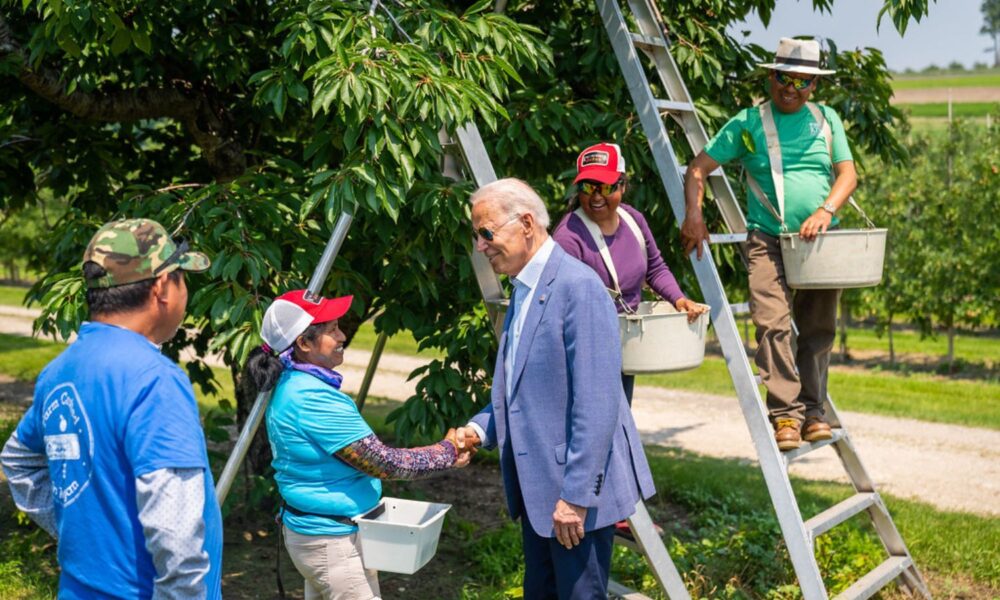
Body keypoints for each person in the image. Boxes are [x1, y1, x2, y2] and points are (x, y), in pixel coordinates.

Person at [0, 218, 223, 598]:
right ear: (162, 288)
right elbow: (176, 535)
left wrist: (80, 529)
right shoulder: (154, 379)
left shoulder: (60, 372)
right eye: (182, 277)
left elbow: (18, 460)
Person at [455, 178, 656, 599]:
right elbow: (522, 390)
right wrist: (478, 430)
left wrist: (576, 498)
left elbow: (597, 404)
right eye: (477, 235)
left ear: (526, 223)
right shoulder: (525, 287)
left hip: (572, 500)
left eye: (486, 233)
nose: (480, 246)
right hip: (540, 492)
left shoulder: (578, 287)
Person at [681, 37, 858, 451]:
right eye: (783, 78)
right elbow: (698, 168)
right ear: (770, 76)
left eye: (802, 81)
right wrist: (694, 214)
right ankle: (785, 416)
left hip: (818, 241)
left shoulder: (826, 119)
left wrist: (826, 211)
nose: (791, 88)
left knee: (818, 328)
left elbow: (847, 175)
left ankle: (814, 411)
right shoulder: (748, 124)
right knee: (771, 323)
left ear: (814, 85)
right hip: (767, 239)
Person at [243, 289, 473, 600]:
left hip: (325, 534)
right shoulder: (311, 399)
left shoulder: (294, 383)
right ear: (304, 343)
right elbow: (384, 463)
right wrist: (446, 451)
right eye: (332, 330)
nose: (342, 336)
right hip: (331, 543)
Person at [553, 141, 709, 403]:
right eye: (588, 187)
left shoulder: (632, 220)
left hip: (623, 341)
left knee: (620, 417)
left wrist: (679, 300)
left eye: (605, 186)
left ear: (622, 185)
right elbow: (560, 304)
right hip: (586, 350)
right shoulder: (569, 237)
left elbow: (655, 267)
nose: (596, 196)